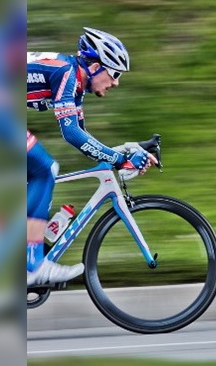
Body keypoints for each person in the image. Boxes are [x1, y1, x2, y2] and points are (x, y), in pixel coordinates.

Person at [26, 27, 157, 286]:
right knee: (44, 169)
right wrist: (120, 161)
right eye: (114, 73)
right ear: (96, 66)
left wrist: (124, 150)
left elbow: (84, 136)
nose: (116, 82)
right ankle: (31, 266)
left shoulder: (74, 82)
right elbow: (72, 135)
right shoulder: (65, 72)